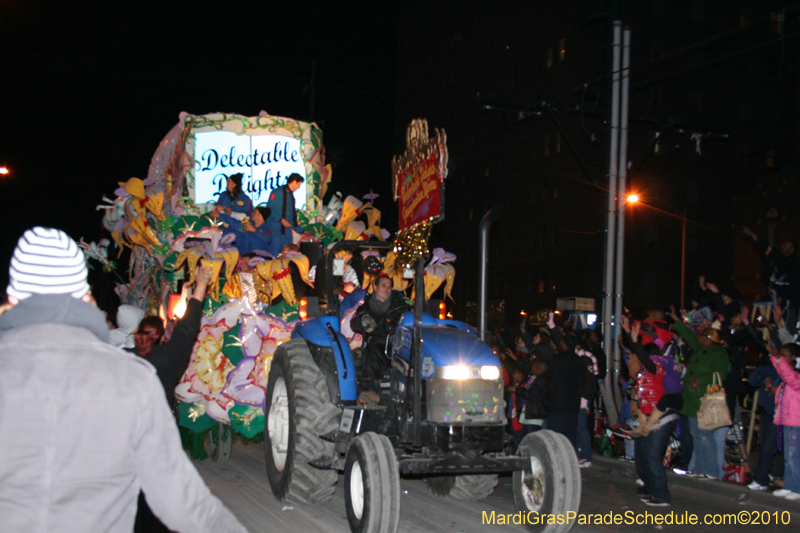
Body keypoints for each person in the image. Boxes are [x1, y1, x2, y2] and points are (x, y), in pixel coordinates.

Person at [0, 227, 247, 533]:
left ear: (13, 297)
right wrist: (200, 285)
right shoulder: (132, 379)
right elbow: (182, 502)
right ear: (84, 296)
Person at [670, 305, 729, 481]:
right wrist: (678, 322)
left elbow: (721, 374)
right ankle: (699, 469)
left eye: (703, 335)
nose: (699, 337)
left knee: (705, 437)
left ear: (710, 339)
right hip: (693, 401)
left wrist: (700, 379)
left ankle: (711, 471)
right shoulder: (700, 350)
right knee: (697, 437)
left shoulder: (718, 353)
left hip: (705, 401)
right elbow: (688, 337)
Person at [350, 274, 410, 401]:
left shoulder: (400, 306)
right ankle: (370, 390)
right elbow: (354, 323)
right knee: (372, 351)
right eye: (383, 285)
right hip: (377, 343)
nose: (387, 289)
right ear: (375, 287)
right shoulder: (365, 307)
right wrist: (363, 319)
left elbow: (411, 317)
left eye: (389, 286)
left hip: (397, 343)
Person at [769, 342, 800, 500]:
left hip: (796, 423)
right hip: (788, 421)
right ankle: (789, 486)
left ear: (794, 358)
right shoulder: (791, 376)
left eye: (785, 355)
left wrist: (777, 358)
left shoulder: (796, 378)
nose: (783, 359)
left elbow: (788, 375)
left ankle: (797, 488)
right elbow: (783, 373)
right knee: (789, 456)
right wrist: (775, 357)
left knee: (794, 456)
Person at [266, 172, 305, 257]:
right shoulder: (277, 192)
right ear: (294, 182)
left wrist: (301, 231)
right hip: (275, 230)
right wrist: (281, 219)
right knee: (273, 256)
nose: (299, 187)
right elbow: (269, 209)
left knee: (288, 256)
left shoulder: (291, 196)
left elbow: (291, 218)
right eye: (298, 184)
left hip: (286, 232)